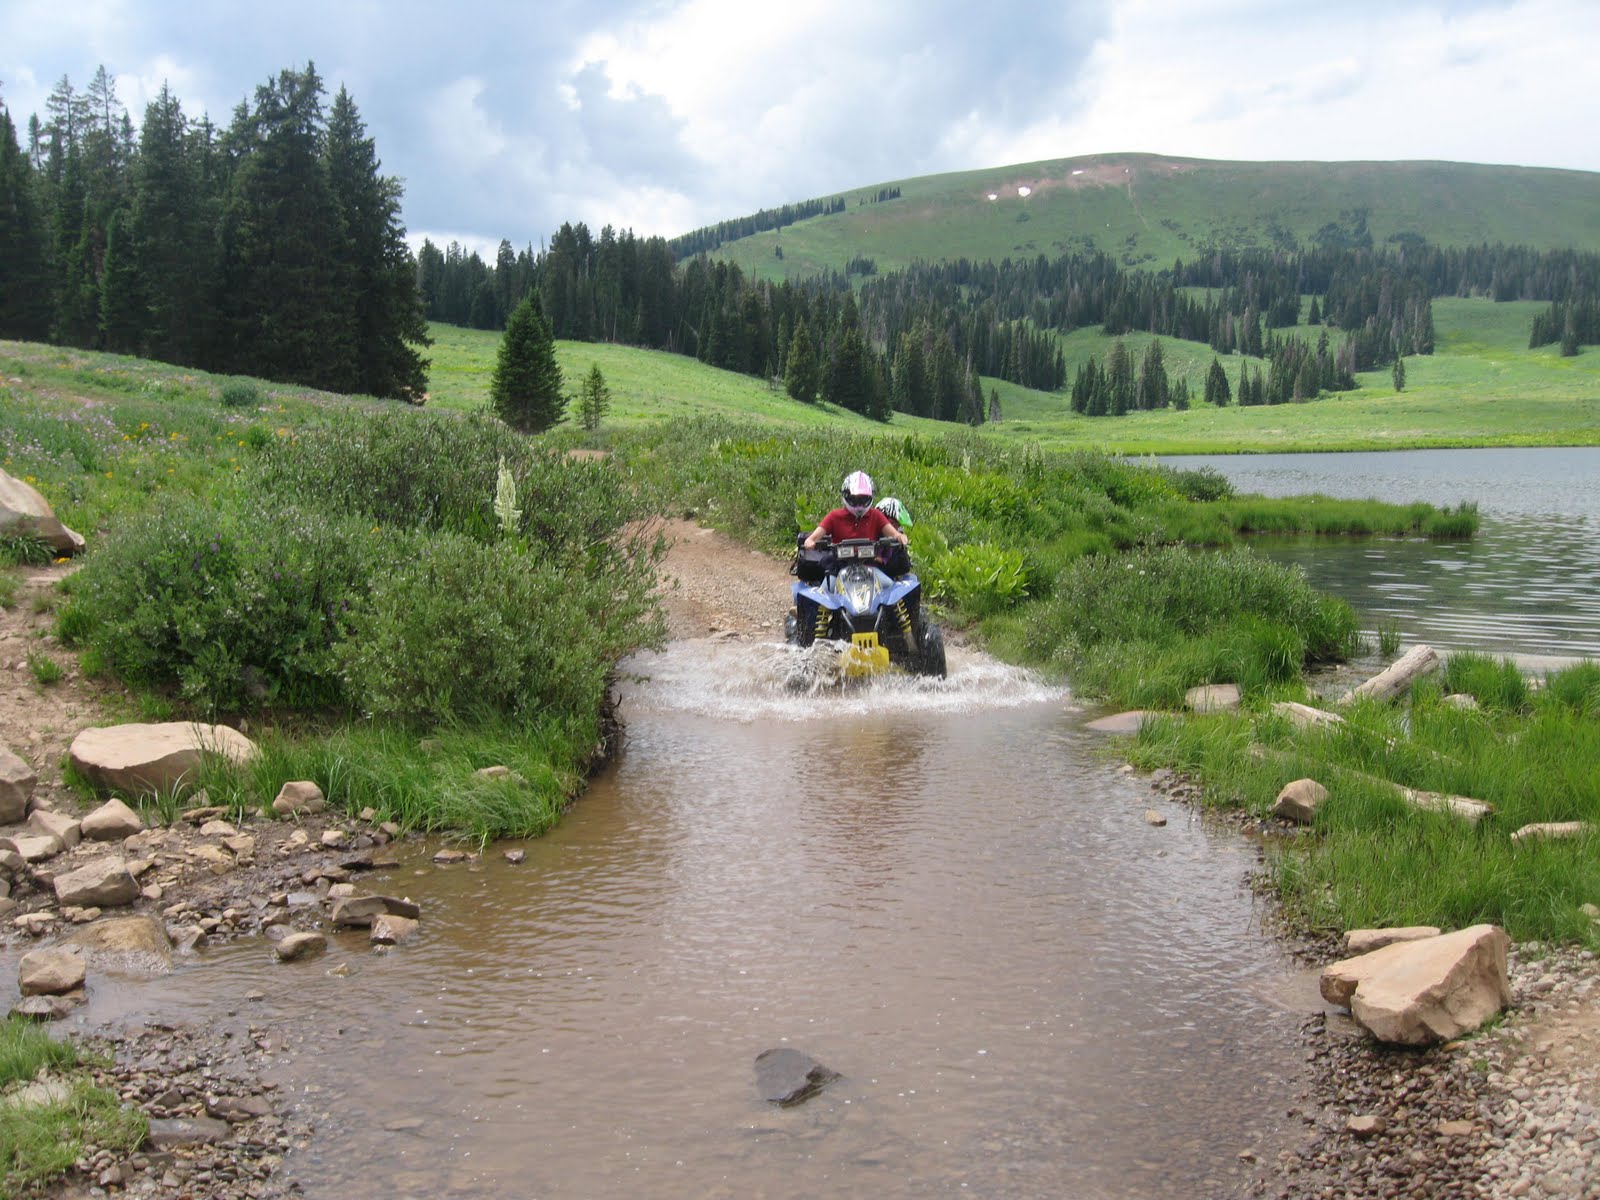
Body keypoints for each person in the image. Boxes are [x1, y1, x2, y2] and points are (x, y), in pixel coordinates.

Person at [803, 471, 910, 551]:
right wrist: (810, 542)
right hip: (839, 566)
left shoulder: (875, 515)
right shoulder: (834, 516)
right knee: (825, 576)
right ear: (846, 496)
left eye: (864, 500)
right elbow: (812, 538)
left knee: (888, 577)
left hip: (870, 567)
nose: (860, 505)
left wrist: (901, 537)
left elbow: (894, 534)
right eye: (855, 500)